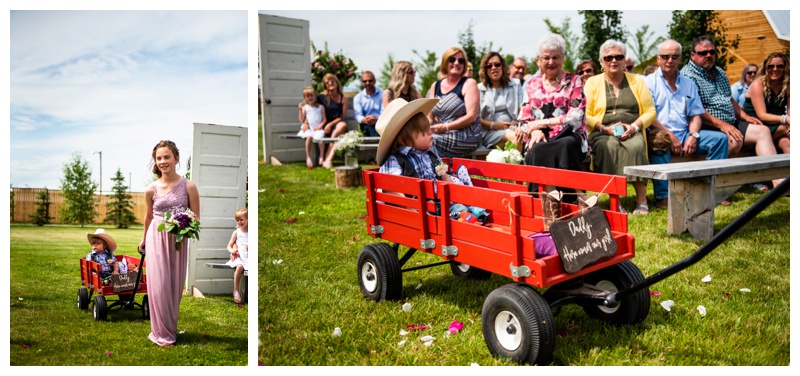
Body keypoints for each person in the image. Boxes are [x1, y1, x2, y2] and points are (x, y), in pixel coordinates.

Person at [681, 36, 782, 189]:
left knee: (762, 131)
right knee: (734, 141)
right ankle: (717, 185)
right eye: (703, 53)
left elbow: (729, 99)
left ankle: (778, 184)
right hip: (708, 126)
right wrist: (723, 126)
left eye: (712, 52)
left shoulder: (719, 71)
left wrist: (746, 117)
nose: (708, 55)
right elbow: (696, 110)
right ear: (692, 55)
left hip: (730, 121)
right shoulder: (687, 75)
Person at [644, 39, 729, 209]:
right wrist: (671, 136)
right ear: (658, 59)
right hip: (660, 132)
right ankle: (663, 196)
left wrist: (693, 135)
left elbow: (696, 115)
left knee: (720, 139)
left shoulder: (688, 83)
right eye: (665, 56)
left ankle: (710, 189)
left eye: (674, 56)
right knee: (659, 140)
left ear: (680, 58)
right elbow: (649, 117)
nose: (670, 60)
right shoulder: (648, 82)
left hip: (685, 133)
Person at [140, 140, 200, 347]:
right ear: (155, 163)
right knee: (159, 285)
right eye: (159, 158)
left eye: (167, 157)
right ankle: (160, 333)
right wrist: (143, 238)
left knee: (173, 286)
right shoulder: (151, 189)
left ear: (176, 158)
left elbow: (196, 217)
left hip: (177, 241)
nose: (163, 161)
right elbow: (148, 217)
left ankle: (169, 328)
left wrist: (183, 225)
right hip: (155, 238)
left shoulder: (188, 185)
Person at [584, 39, 656, 214]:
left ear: (624, 60)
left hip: (631, 129)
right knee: (608, 146)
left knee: (637, 147)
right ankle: (616, 200)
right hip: (602, 131)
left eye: (618, 56)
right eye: (608, 58)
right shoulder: (592, 83)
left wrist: (633, 127)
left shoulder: (637, 81)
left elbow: (650, 111)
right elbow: (585, 115)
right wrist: (604, 128)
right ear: (602, 62)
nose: (613, 61)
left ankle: (641, 200)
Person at [517, 34, 588, 202]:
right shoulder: (531, 84)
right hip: (540, 137)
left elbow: (576, 117)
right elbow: (523, 120)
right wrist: (534, 132)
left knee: (565, 145)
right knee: (538, 148)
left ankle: (573, 198)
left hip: (569, 134)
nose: (551, 62)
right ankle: (552, 199)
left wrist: (542, 123)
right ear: (538, 61)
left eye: (556, 57)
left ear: (563, 58)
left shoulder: (574, 81)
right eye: (546, 58)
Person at [426, 47, 483, 158]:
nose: (456, 63)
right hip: (443, 133)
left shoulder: (469, 83)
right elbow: (430, 117)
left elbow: (472, 117)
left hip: (468, 135)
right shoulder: (435, 86)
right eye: (452, 59)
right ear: (444, 62)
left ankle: (436, 173)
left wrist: (445, 127)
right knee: (414, 140)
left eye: (461, 61)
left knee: (429, 142)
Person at [743, 52, 790, 154]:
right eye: (771, 66)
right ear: (765, 68)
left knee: (787, 144)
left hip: (778, 126)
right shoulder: (758, 85)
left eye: (780, 66)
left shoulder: (787, 86)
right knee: (787, 129)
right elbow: (762, 115)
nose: (775, 69)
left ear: (785, 68)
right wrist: (786, 119)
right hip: (758, 126)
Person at [477, 51, 523, 150]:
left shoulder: (515, 84)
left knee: (522, 135)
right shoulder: (479, 89)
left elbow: (522, 109)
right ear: (485, 70)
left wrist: (519, 123)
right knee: (516, 137)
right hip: (490, 132)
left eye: (497, 64)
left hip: (514, 127)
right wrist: (493, 125)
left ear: (502, 66)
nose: (494, 68)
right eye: (489, 66)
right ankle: (517, 165)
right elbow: (474, 119)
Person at [318, 73, 349, 169]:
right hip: (324, 124)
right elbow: (311, 106)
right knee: (337, 135)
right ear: (325, 86)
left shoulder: (343, 99)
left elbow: (341, 117)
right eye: (327, 82)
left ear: (336, 83)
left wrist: (330, 124)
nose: (330, 83)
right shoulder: (321, 97)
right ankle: (327, 160)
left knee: (342, 125)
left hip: (336, 124)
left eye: (332, 81)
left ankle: (328, 158)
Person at [297, 86, 326, 168]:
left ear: (315, 96)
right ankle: (308, 157)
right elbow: (301, 120)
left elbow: (324, 119)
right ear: (305, 98)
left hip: (318, 128)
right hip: (309, 129)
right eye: (308, 96)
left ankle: (321, 156)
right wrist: (300, 110)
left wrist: (320, 126)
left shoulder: (321, 107)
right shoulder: (305, 108)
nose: (310, 98)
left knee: (321, 138)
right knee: (309, 137)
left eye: (312, 95)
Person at [225, 207, 248, 304]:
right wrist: (233, 250)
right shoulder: (237, 232)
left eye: (241, 220)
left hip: (248, 256)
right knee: (239, 267)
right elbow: (229, 246)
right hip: (239, 257)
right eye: (237, 220)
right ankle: (236, 290)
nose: (239, 222)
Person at [353, 71, 383, 137]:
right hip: (365, 124)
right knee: (369, 127)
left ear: (375, 81)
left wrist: (377, 119)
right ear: (362, 83)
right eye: (365, 81)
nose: (367, 83)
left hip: (381, 123)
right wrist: (364, 119)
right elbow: (357, 115)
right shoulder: (358, 97)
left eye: (370, 81)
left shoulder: (383, 94)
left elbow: (385, 111)